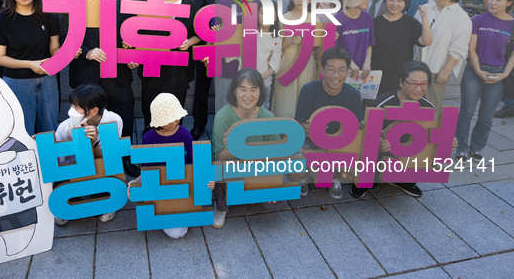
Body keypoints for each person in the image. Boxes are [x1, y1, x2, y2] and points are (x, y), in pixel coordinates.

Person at [62, 0, 137, 147]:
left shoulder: (123, 4)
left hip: (118, 77)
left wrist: (132, 49)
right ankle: (90, 163)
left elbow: (131, 37)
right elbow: (64, 37)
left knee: (123, 116)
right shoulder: (73, 3)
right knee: (86, 124)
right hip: (86, 76)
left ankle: (124, 159)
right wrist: (87, 51)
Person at [127, 93, 215, 239]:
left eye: (177, 117)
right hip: (161, 186)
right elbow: (148, 169)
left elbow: (194, 163)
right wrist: (137, 182)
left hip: (184, 183)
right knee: (175, 231)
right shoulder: (148, 138)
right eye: (168, 119)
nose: (174, 122)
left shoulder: (185, 134)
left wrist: (206, 179)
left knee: (180, 229)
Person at [0, 0, 63, 136]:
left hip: (47, 81)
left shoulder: (49, 16)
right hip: (17, 83)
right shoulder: (2, 20)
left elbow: (54, 48)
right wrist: (29, 64)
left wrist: (63, 55)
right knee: (21, 133)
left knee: (49, 130)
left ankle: (49, 164)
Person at [132, 0, 200, 135]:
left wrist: (189, 42)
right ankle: (151, 155)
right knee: (151, 117)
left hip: (178, 73)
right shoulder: (149, 3)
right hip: (152, 71)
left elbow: (199, 33)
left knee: (175, 118)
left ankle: (175, 156)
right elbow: (138, 33)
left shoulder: (189, 4)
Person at [350, 61, 435, 199]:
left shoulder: (428, 107)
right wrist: (378, 141)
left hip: (406, 151)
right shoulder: (382, 104)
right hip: (378, 152)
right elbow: (362, 134)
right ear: (401, 82)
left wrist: (446, 140)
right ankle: (366, 179)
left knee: (426, 156)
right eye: (413, 83)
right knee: (369, 173)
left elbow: (428, 135)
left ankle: (403, 180)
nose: (419, 89)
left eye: (424, 84)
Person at [213, 68, 281, 228]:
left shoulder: (268, 117)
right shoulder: (223, 116)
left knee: (277, 202)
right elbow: (218, 157)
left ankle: (253, 193)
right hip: (232, 167)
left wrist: (272, 182)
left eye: (253, 89)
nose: (248, 95)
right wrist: (236, 148)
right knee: (216, 171)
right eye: (242, 89)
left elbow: (276, 154)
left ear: (260, 92)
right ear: (234, 91)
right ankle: (221, 207)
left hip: (257, 167)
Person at [456, 0, 514, 161]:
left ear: (509, 2)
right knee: (466, 112)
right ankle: (461, 146)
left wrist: (504, 75)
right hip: (474, 71)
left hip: (498, 74)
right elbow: (471, 49)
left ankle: (477, 147)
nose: (492, 2)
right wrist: (479, 71)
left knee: (487, 116)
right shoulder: (478, 20)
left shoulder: (513, 25)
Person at [295, 47, 363, 199]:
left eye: (341, 70)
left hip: (340, 144)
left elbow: (358, 126)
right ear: (323, 70)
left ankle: (334, 177)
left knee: (357, 167)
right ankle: (303, 177)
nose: (335, 75)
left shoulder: (354, 94)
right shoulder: (308, 90)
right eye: (331, 69)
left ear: (347, 72)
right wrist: (305, 128)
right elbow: (299, 121)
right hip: (310, 140)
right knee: (296, 169)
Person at [191, 0, 240, 141]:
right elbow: (197, 4)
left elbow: (245, 8)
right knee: (202, 86)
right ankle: (198, 124)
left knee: (231, 84)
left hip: (232, 42)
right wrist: (208, 31)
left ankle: (230, 126)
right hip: (206, 40)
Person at [54, 84, 124, 225]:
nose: (72, 110)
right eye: (72, 105)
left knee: (105, 182)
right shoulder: (65, 126)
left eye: (77, 107)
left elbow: (111, 158)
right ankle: (69, 201)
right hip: (73, 168)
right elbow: (58, 160)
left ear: (93, 111)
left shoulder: (114, 120)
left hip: (100, 166)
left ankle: (106, 201)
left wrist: (92, 144)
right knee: (63, 191)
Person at [414, 0, 471, 114]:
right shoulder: (426, 8)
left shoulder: (461, 17)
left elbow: (458, 49)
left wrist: (445, 71)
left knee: (431, 109)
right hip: (415, 67)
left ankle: (427, 136)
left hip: (436, 71)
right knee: (410, 108)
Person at [214, 0, 267, 111]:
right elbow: (216, 30)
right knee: (225, 107)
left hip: (251, 65)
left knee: (248, 110)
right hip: (227, 66)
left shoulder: (260, 3)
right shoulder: (228, 0)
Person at [372, 0, 432, 94]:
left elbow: (426, 41)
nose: (395, 4)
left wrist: (424, 18)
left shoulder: (411, 23)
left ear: (405, 3)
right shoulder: (374, 22)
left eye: (400, 0)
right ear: (385, 0)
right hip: (376, 77)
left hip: (400, 78)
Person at [272, 0, 316, 118]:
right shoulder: (283, 19)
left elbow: (318, 47)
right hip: (286, 64)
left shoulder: (315, 19)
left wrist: (331, 37)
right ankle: (282, 132)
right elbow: (274, 48)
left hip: (307, 64)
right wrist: (289, 41)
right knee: (285, 102)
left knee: (305, 99)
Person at [334, 0, 376, 81]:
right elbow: (335, 48)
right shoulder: (337, 19)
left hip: (364, 70)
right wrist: (350, 63)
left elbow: (370, 43)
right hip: (344, 70)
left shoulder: (368, 18)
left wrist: (367, 62)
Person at [256, 1, 281, 109]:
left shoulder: (276, 39)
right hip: (245, 80)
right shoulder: (248, 34)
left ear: (275, 17)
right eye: (262, 12)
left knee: (262, 110)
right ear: (256, 15)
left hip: (264, 82)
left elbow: (275, 64)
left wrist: (261, 77)